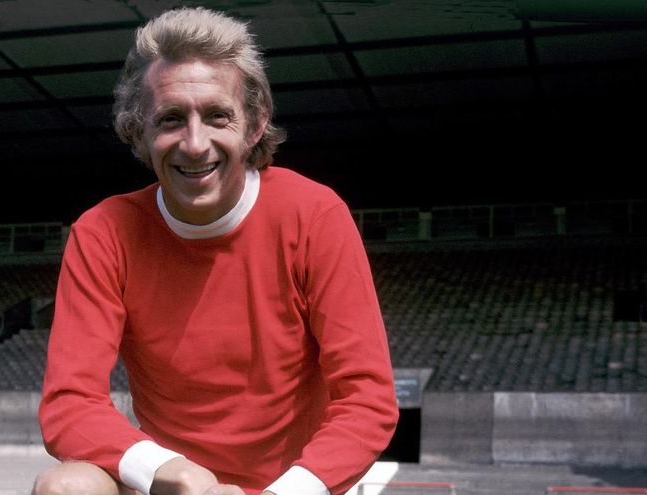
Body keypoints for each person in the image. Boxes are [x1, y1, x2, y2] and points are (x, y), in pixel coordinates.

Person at [36, 7, 398, 495]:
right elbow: (69, 403)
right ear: (138, 130)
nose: (194, 143)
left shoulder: (314, 214)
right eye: (170, 119)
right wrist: (175, 473)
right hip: (170, 482)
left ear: (254, 125)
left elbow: (368, 400)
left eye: (217, 116)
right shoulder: (102, 232)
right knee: (67, 487)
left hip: (290, 485)